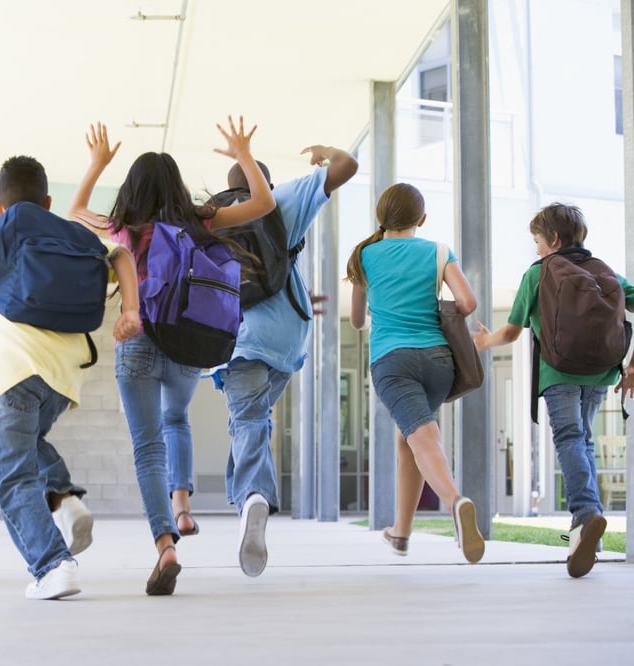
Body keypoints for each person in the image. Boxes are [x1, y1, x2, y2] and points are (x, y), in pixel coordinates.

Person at [68, 117, 275, 595]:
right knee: (175, 418)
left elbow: (77, 208)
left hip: (138, 339)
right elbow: (262, 203)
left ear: (133, 190)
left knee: (148, 449)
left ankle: (165, 544)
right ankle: (184, 505)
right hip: (188, 341)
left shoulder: (126, 228)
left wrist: (97, 163)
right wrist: (244, 153)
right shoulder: (200, 220)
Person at [0, 155, 141, 600]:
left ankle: (53, 566)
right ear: (47, 201)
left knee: (11, 475)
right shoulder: (74, 240)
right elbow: (119, 254)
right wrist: (132, 309)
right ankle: (64, 496)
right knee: (29, 446)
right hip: (61, 380)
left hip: (13, 372)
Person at [210, 146, 357, 577]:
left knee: (248, 418)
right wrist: (325, 153)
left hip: (236, 336)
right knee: (252, 419)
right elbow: (347, 167)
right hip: (288, 337)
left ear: (228, 187)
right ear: (265, 183)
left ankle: (253, 495)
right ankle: (247, 498)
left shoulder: (212, 215)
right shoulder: (282, 200)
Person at [472, 203, 634, 578]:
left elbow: (511, 332)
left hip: (558, 372)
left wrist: (485, 342)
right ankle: (585, 526)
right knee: (584, 440)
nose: (537, 250)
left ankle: (586, 513)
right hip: (601, 373)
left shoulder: (539, 274)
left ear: (553, 239)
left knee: (569, 438)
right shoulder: (606, 272)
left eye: (537, 242)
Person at [346, 183, 485, 564]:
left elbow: (357, 321)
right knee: (409, 437)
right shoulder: (439, 251)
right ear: (421, 220)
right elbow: (467, 302)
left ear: (381, 217)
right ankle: (401, 533)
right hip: (439, 360)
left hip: (393, 361)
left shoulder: (364, 255)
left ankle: (456, 502)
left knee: (422, 436)